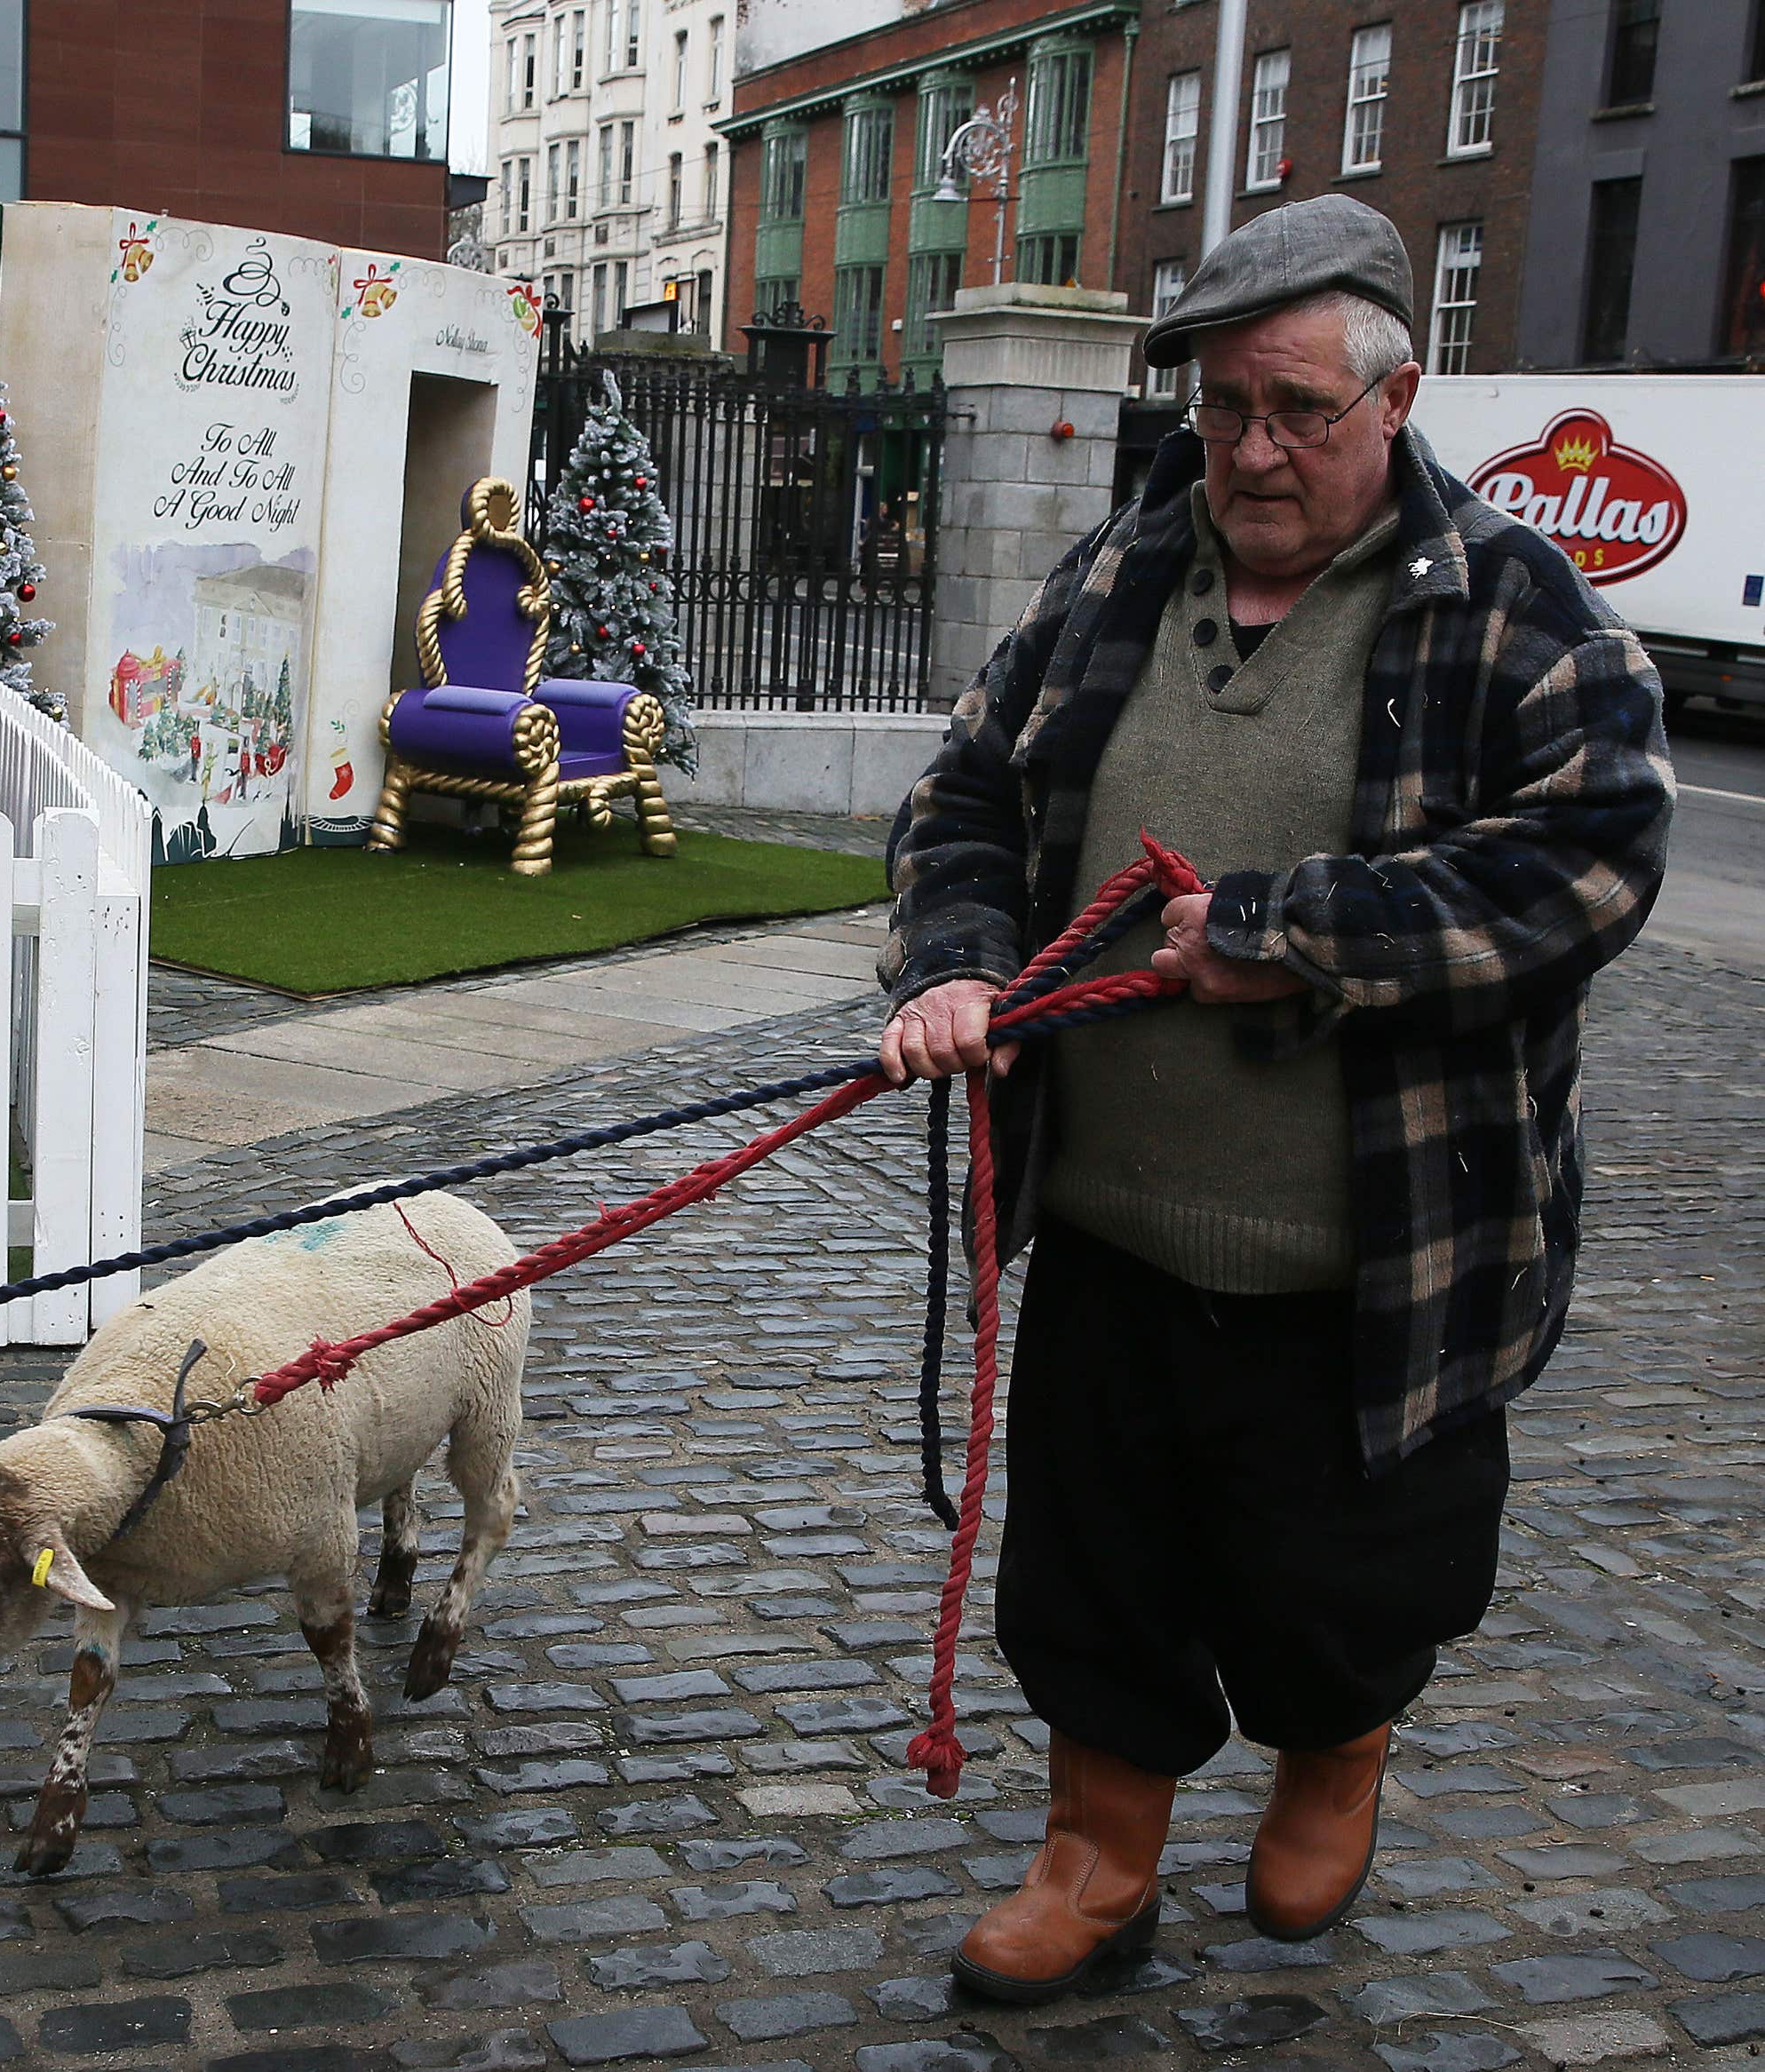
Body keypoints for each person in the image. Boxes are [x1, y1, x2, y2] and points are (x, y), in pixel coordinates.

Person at [877, 194, 1673, 2005]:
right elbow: (968, 794)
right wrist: (956, 958)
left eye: (1297, 408)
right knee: (1095, 1574)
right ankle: (1096, 1852)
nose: (1250, 449)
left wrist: (1292, 928)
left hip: (1372, 1260)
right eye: (1225, 405)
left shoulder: (1508, 606)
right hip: (1108, 1228)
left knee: (1347, 1588)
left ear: (1397, 394)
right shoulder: (1115, 576)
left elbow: (1593, 861)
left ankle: (1336, 1747)